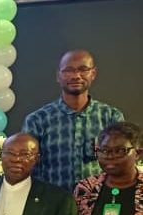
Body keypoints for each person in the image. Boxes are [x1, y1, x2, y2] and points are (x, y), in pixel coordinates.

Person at [23, 50, 125, 193]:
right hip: (52, 202)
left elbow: (121, 164)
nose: (76, 76)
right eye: (68, 70)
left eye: (83, 69)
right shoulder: (37, 120)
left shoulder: (111, 117)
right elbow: (28, 168)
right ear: (58, 76)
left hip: (99, 200)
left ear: (93, 73)